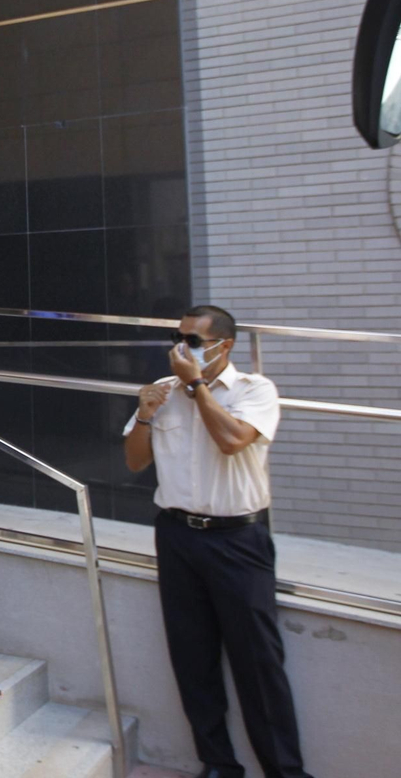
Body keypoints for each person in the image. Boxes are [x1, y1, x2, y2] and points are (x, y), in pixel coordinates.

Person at [124, 306, 314, 778]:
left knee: (259, 662)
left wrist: (196, 387)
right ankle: (218, 764)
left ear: (222, 346)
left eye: (192, 340)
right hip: (176, 537)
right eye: (178, 337)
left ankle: (285, 771)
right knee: (192, 658)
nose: (181, 348)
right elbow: (133, 462)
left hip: (238, 539)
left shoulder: (255, 390)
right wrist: (146, 416)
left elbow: (233, 441)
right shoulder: (162, 392)